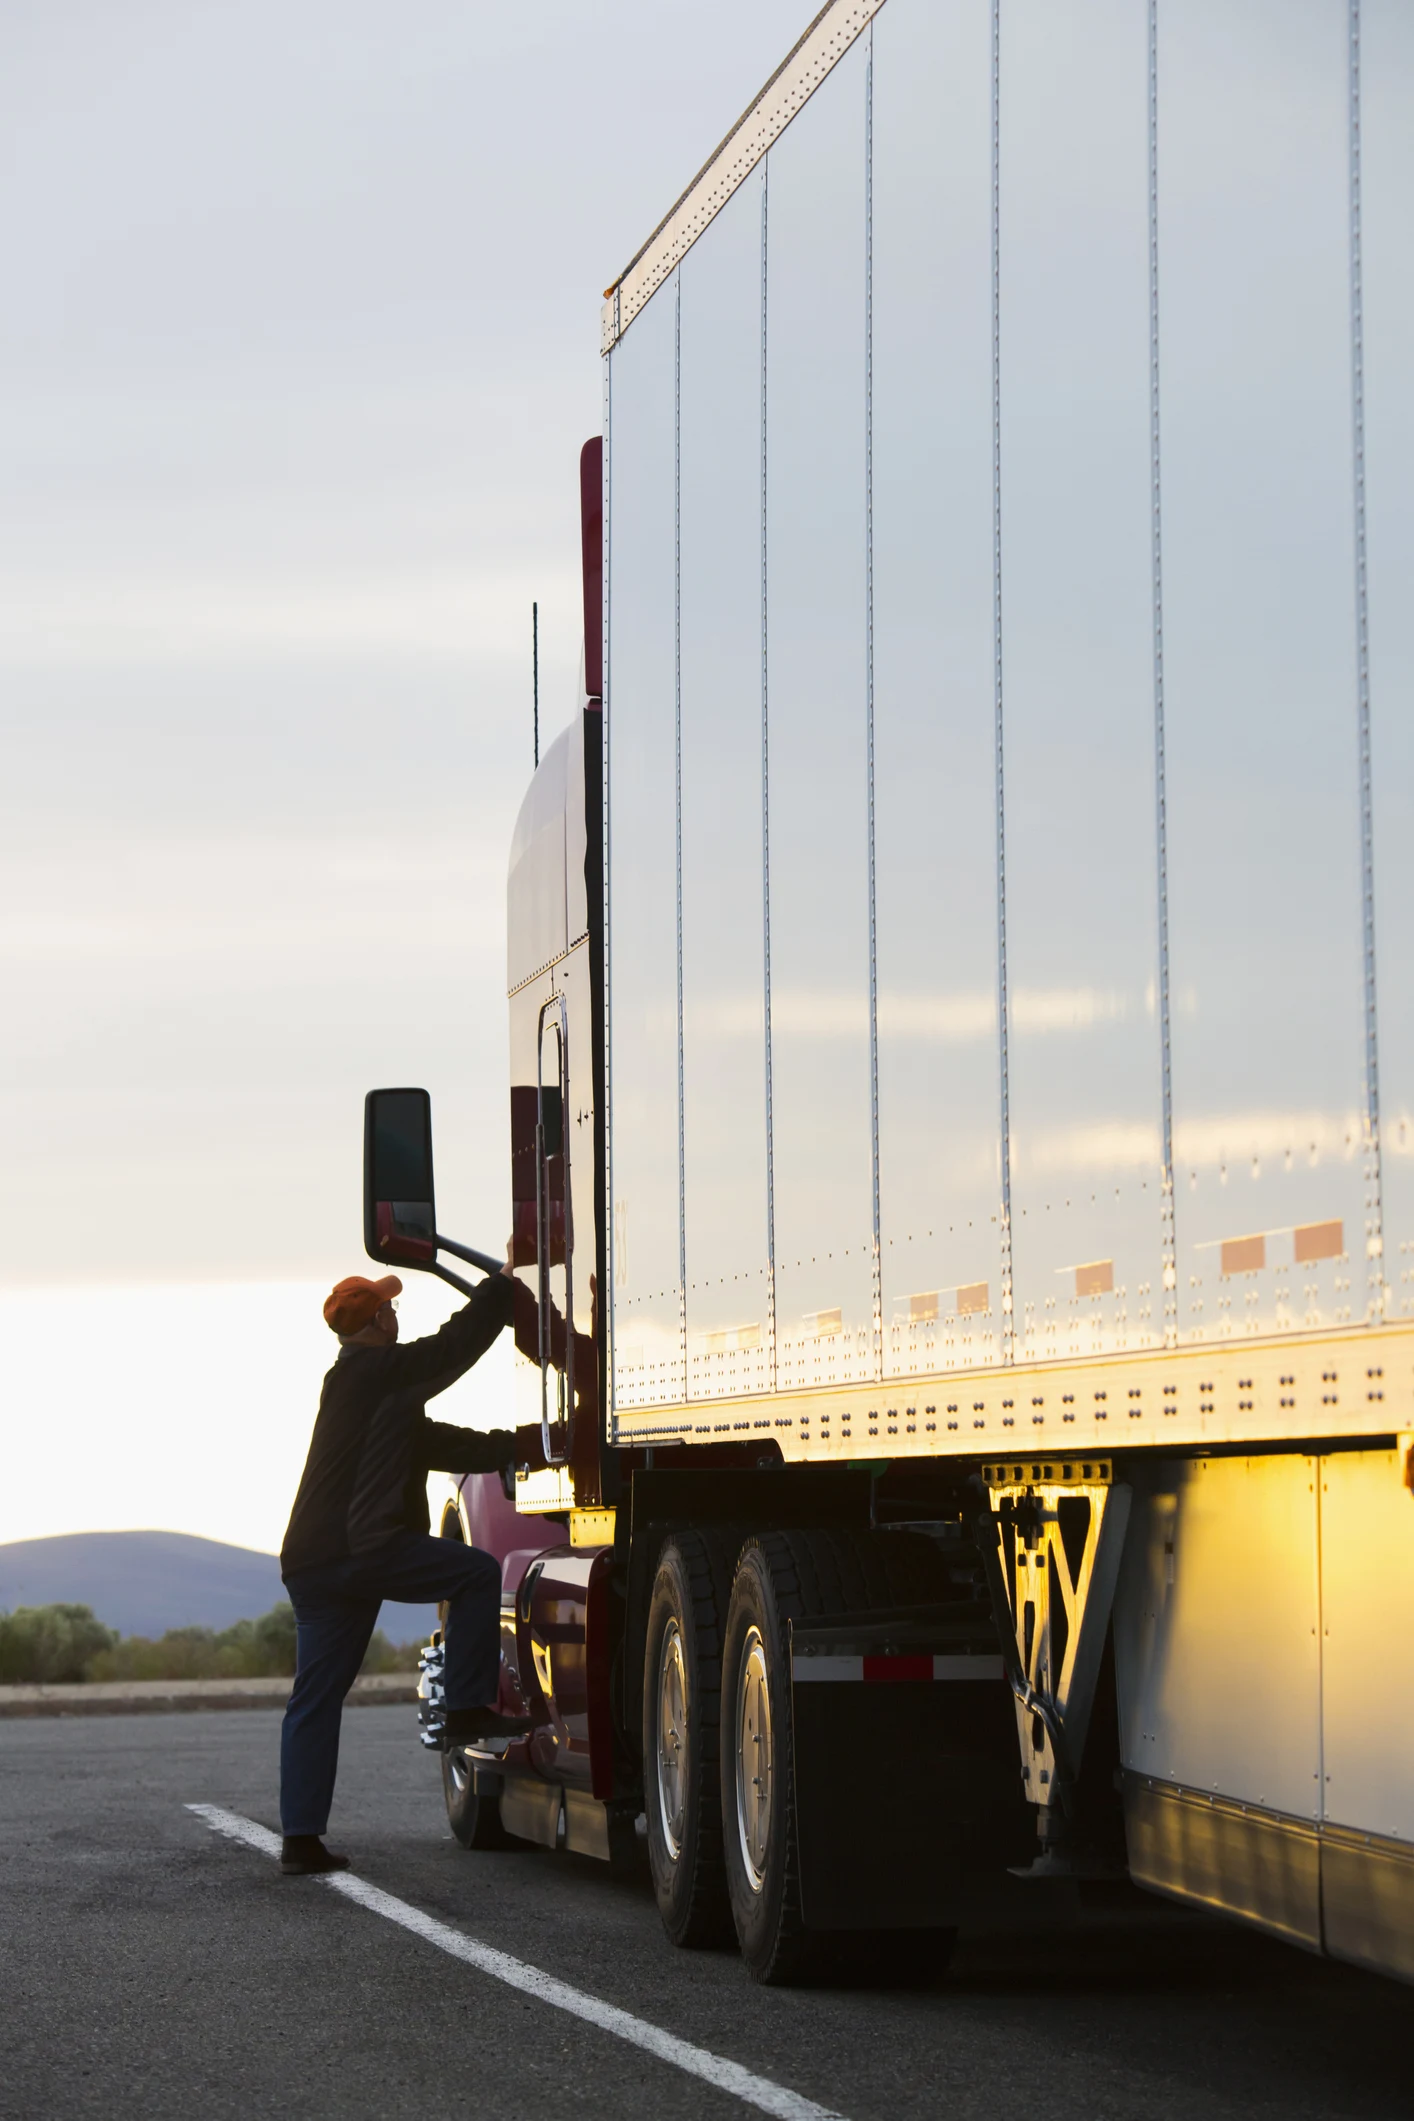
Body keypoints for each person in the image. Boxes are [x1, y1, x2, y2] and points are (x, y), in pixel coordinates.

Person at [277, 1258, 534, 1876]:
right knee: (474, 1574)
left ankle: (300, 1841)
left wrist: (523, 1443)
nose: (395, 1314)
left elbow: (438, 1444)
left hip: (312, 1561)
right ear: (373, 1324)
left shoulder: (361, 1386)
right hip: (362, 1550)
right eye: (388, 1309)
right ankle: (467, 1707)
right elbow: (453, 1347)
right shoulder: (379, 1372)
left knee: (314, 1698)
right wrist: (504, 1282)